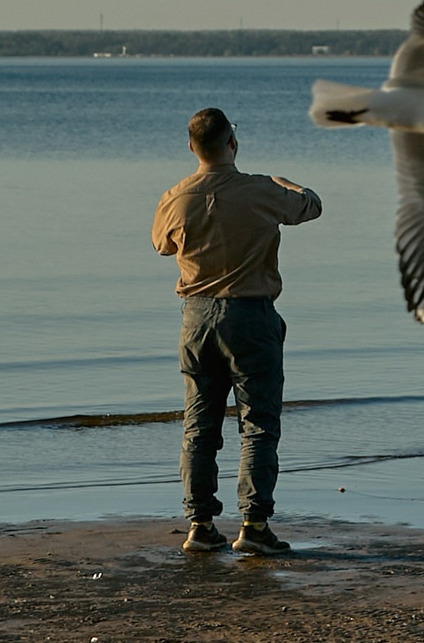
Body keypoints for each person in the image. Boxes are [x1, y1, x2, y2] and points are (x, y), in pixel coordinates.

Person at [150, 106, 322, 554]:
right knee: (259, 424)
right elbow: (312, 207)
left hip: (196, 316)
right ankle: (254, 525)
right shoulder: (261, 190)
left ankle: (200, 523)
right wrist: (288, 184)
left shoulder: (175, 196)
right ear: (233, 143)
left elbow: (161, 245)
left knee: (199, 424)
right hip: (250, 314)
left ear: (191, 147)